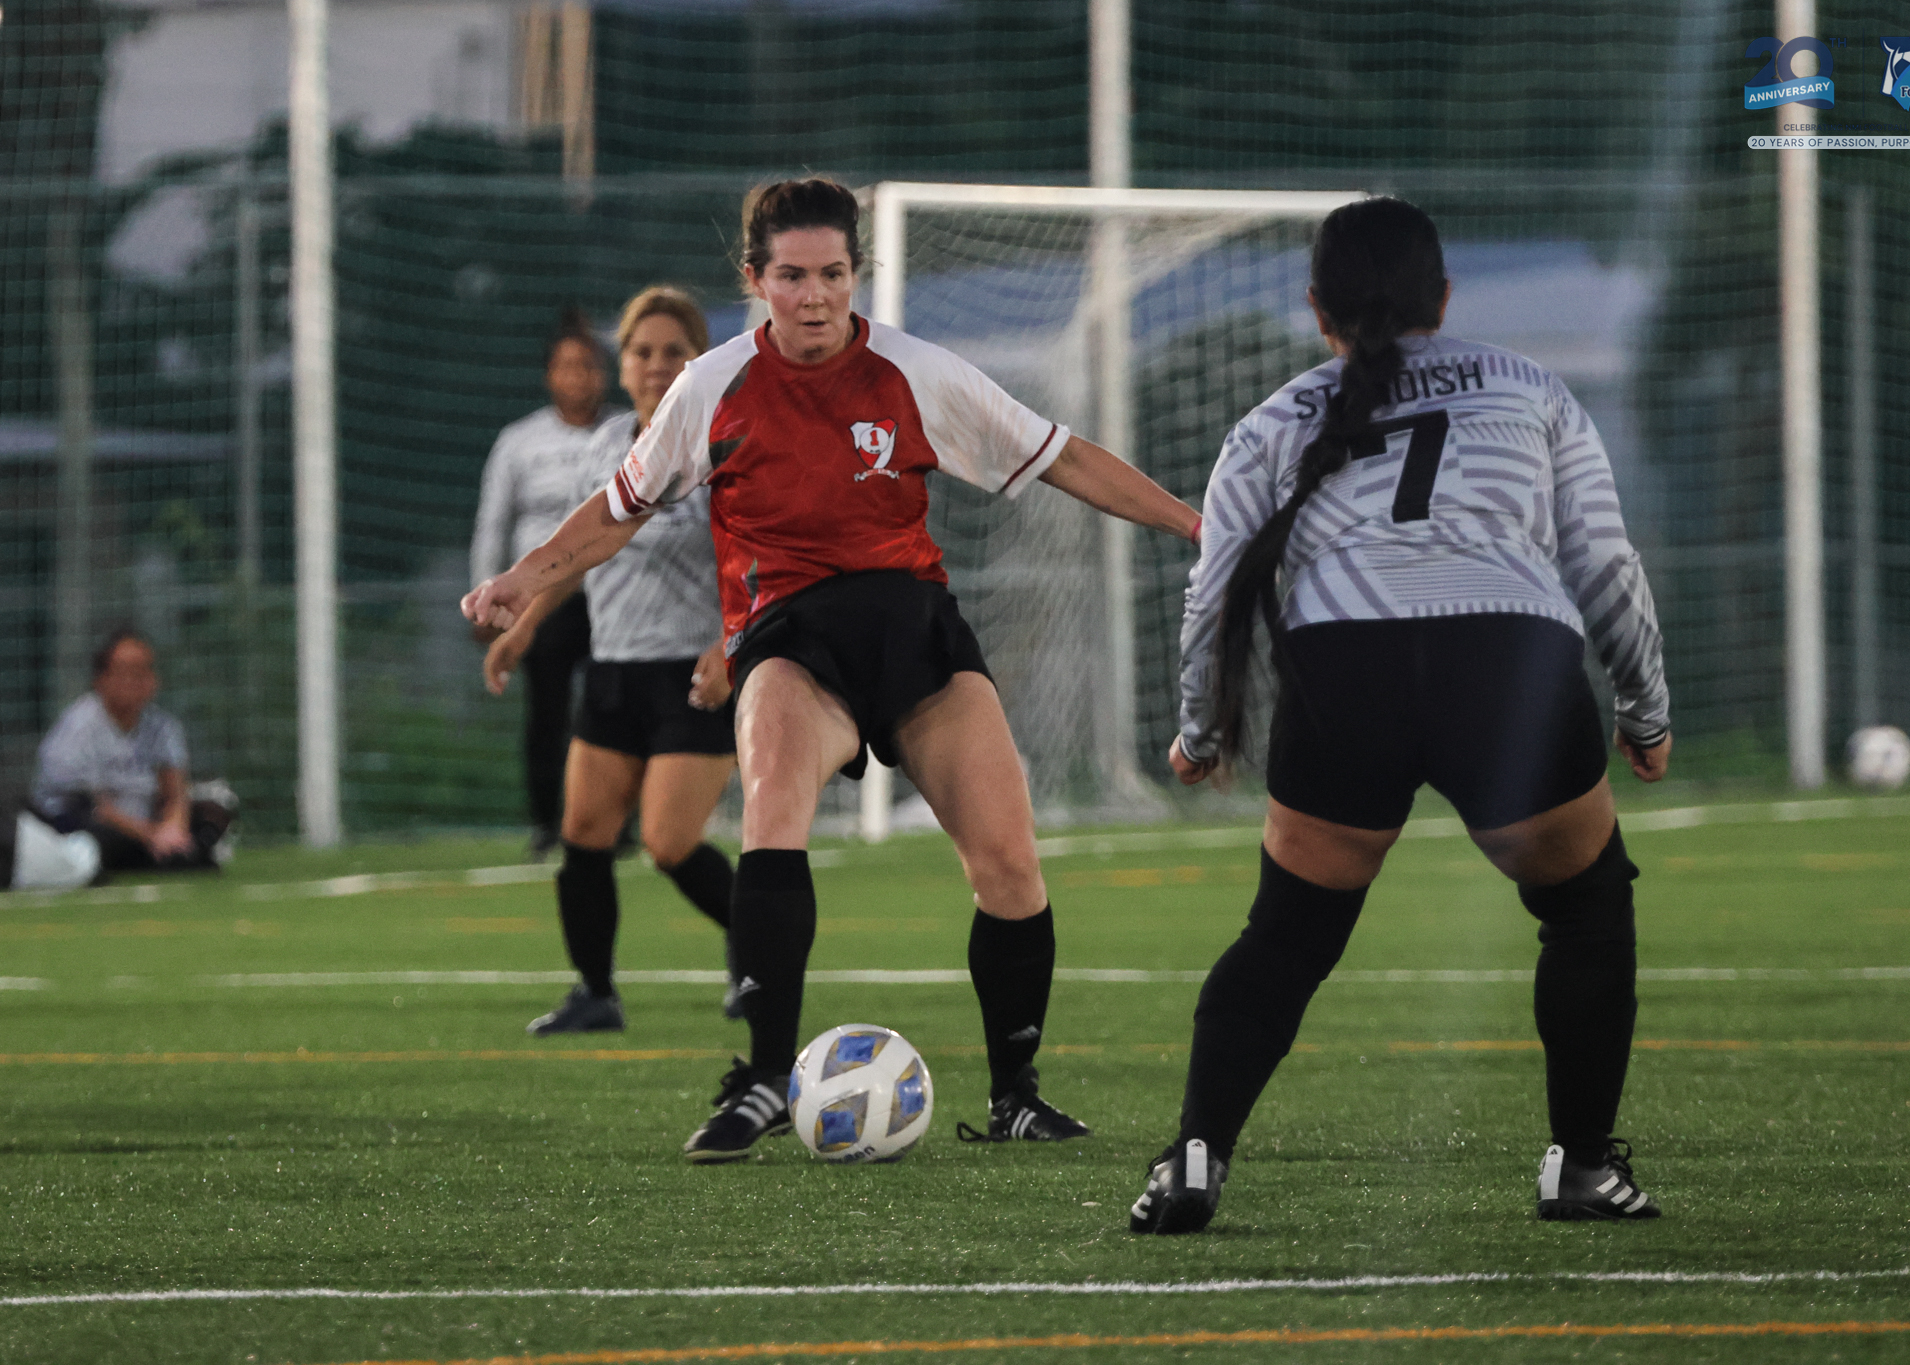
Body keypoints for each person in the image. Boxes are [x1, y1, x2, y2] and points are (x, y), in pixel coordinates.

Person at [464, 179, 1202, 1164]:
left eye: (833, 275)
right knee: (770, 811)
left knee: (1009, 864)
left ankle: (1016, 1091)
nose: (814, 297)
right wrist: (520, 578)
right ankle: (768, 1079)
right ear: (754, 279)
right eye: (792, 277)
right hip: (787, 643)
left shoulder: (913, 372)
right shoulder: (711, 384)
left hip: (914, 638)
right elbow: (618, 508)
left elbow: (1061, 458)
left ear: (857, 273)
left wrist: (1198, 524)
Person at [1127, 197, 1672, 1234]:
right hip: (1505, 660)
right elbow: (1604, 563)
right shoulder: (1530, 390)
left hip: (1343, 664)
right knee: (1584, 911)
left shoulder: (1270, 420)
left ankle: (1192, 1159)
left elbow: (1213, 590)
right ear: (1445, 298)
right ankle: (1580, 1170)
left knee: (1284, 939)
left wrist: (1199, 732)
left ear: (1314, 308)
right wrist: (1643, 710)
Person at [484, 286, 742, 1036]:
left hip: (692, 674)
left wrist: (731, 643)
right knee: (585, 829)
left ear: (702, 364)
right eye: (642, 352)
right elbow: (579, 549)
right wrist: (523, 626)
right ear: (620, 365)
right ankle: (595, 992)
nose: (657, 366)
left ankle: (754, 948)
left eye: (675, 352)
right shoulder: (604, 448)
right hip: (614, 666)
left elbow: (756, 560)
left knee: (667, 842)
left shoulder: (722, 444)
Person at [471, 308, 620, 858]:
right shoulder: (519, 442)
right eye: (566, 366)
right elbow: (493, 522)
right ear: (549, 375)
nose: (577, 377)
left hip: (611, 595)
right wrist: (487, 598)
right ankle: (545, 822)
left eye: (588, 366)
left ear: (605, 374)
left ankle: (615, 823)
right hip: (542, 604)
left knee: (611, 708)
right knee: (547, 713)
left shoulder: (623, 435)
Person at [32, 629, 236, 874]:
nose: (135, 680)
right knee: (91, 829)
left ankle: (172, 853)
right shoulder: (78, 729)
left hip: (147, 821)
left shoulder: (162, 727)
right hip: (97, 825)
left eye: (143, 671)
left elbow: (175, 790)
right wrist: (151, 835)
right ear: (102, 679)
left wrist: (174, 829)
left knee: (216, 805)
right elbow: (94, 806)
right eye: (125, 671)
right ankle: (165, 857)